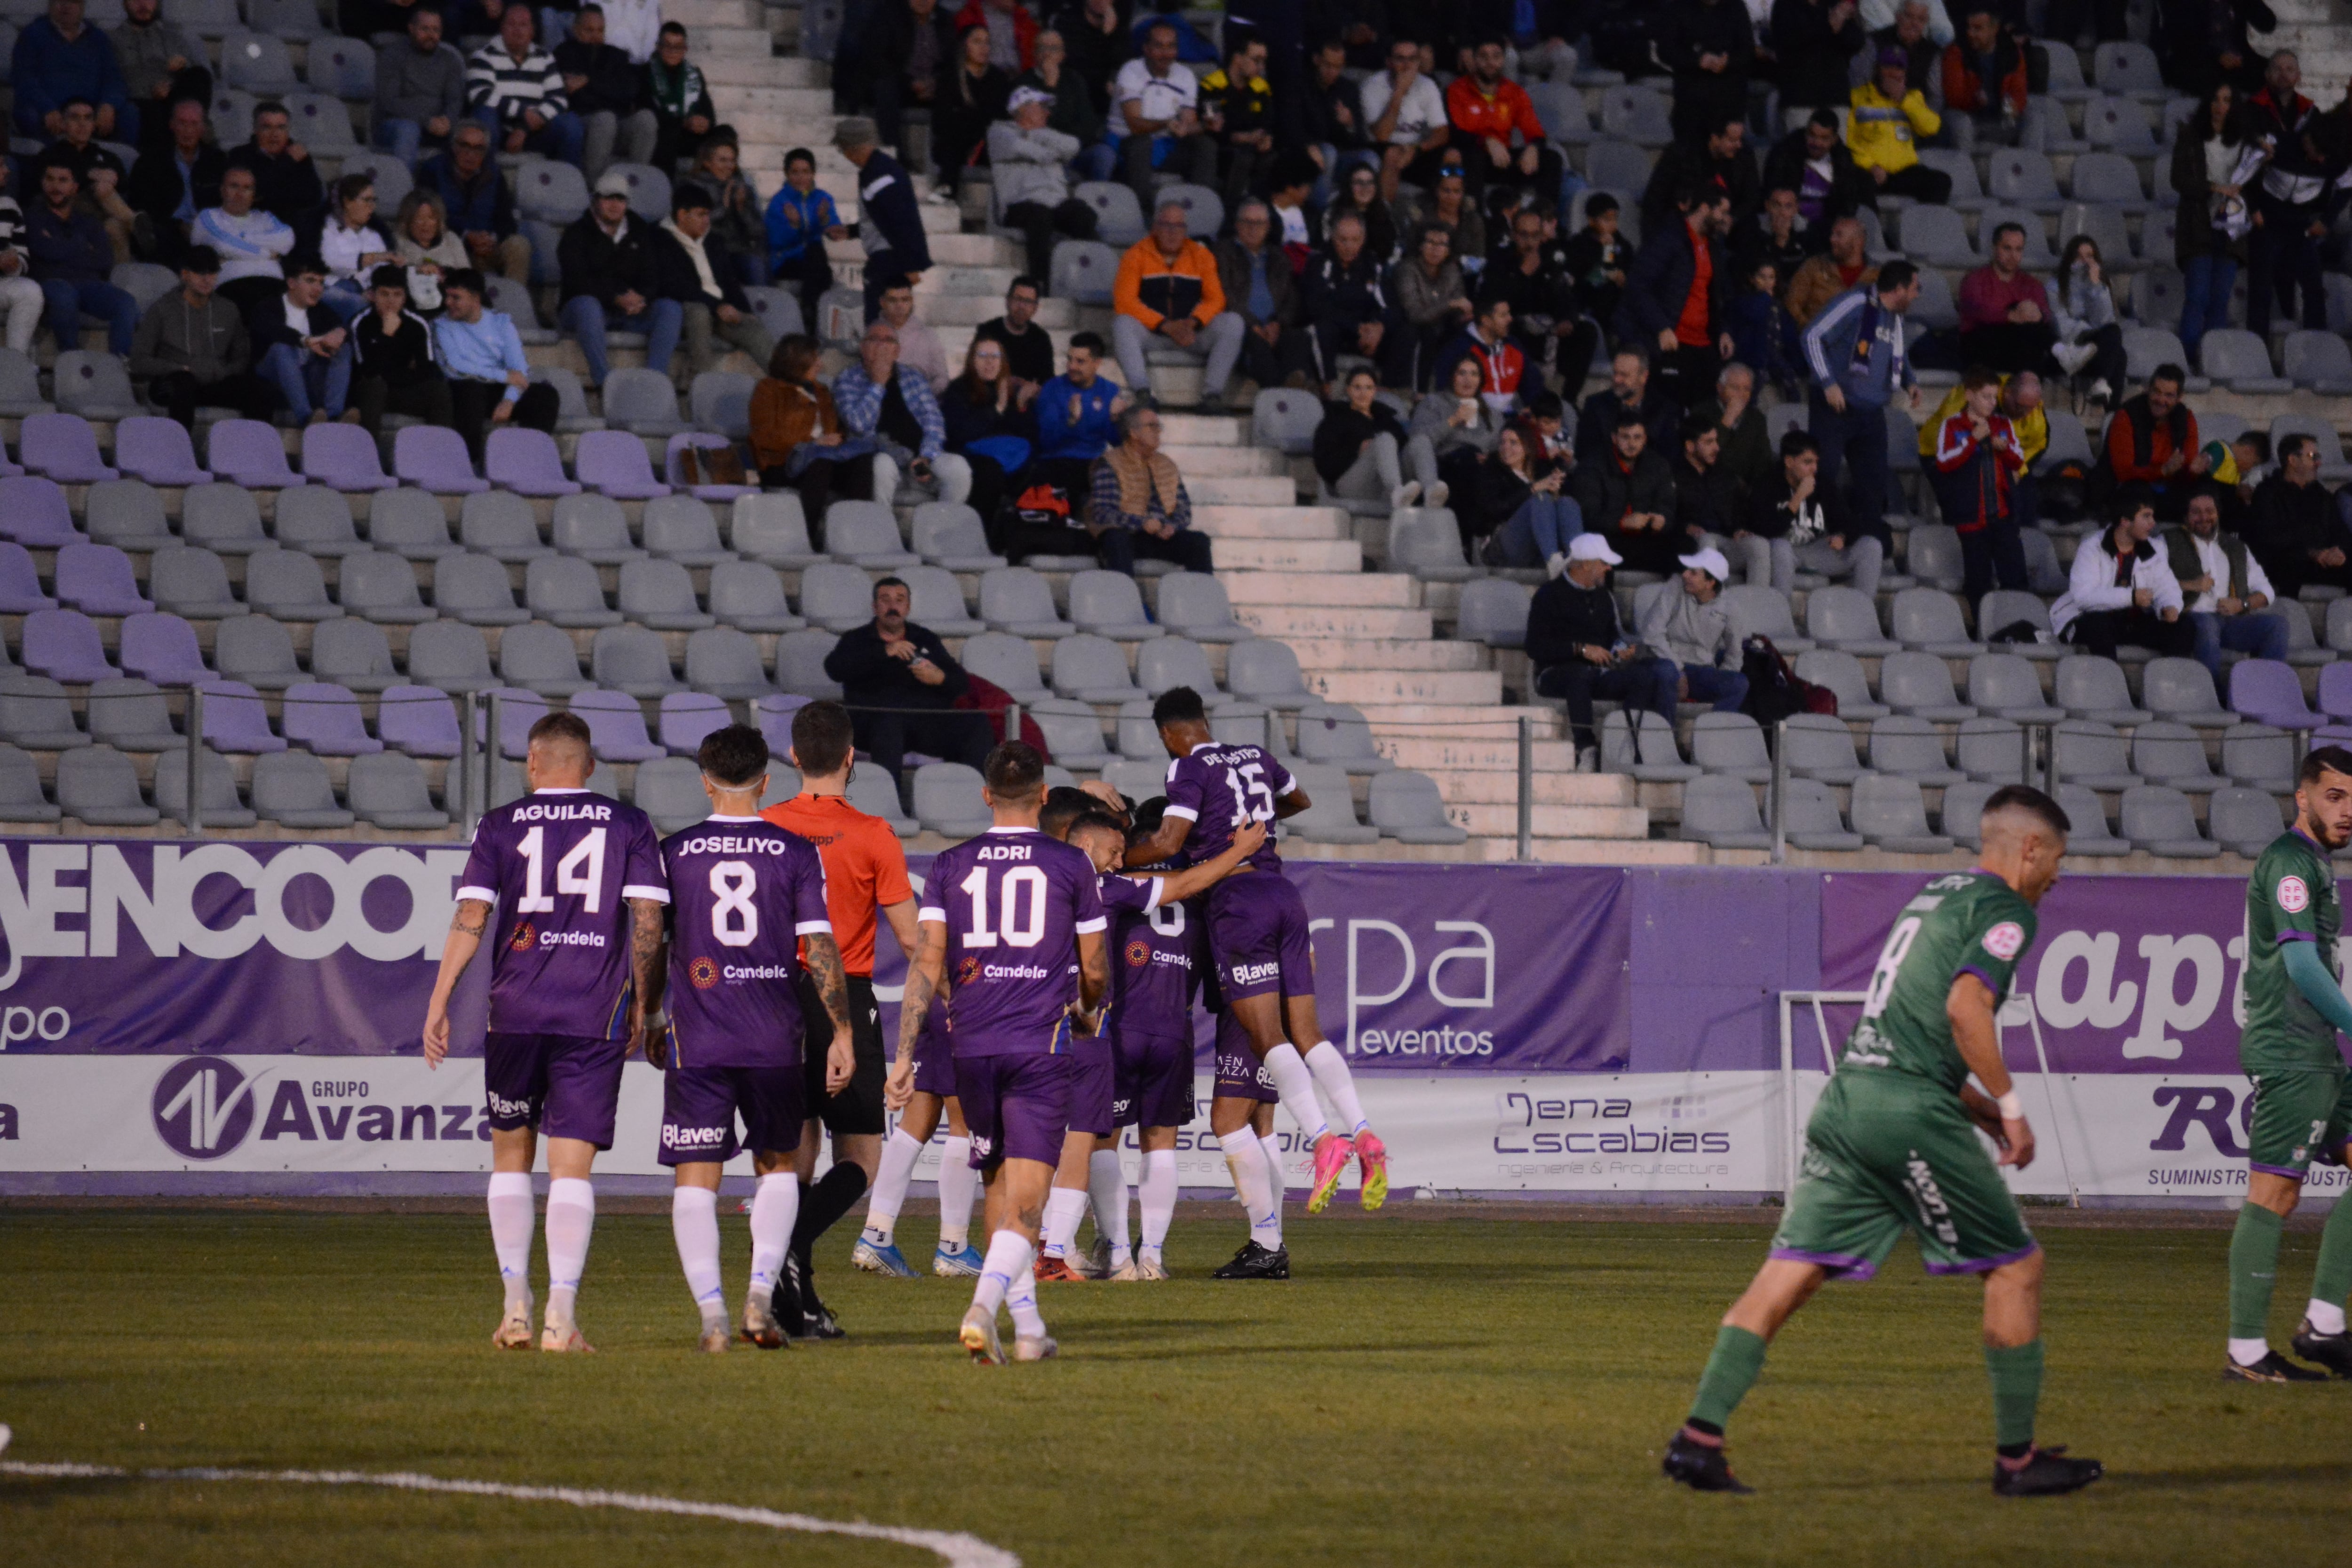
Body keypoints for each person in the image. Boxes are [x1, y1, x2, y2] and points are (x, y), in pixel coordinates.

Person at [1663, 787, 2102, 1498]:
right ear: (2030, 849)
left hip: (1849, 1098)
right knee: (2017, 1268)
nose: (2057, 875)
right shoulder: (2006, 911)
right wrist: (2015, 1111)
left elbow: (1903, 1022)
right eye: (2056, 858)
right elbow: (1967, 1007)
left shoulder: (1934, 897)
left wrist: (1979, 1106)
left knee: (1790, 1273)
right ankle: (2018, 1463)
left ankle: (1697, 1439)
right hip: (1904, 1111)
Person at [419, 709, 670, 1356]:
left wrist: (439, 1001)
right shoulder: (629, 824)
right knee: (571, 1168)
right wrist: (650, 1007)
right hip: (593, 1017)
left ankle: (515, 1309)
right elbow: (647, 922)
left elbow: (471, 915)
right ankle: (561, 1316)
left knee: (510, 1156)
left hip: (516, 1014)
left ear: (532, 765)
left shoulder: (500, 824)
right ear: (589, 767)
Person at [1126, 685, 1390, 1247]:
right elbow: (1300, 802)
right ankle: (1363, 1132)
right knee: (1307, 1032)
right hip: (1285, 894)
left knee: (1267, 1033)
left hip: (1237, 900)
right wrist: (1254, 825)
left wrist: (1121, 861)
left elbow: (1169, 838)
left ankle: (1322, 1139)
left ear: (1170, 735)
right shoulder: (1254, 755)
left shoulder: (1185, 770)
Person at [890, 740, 1105, 1362]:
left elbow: (928, 961)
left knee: (999, 1190)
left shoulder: (950, 865)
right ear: (1044, 796)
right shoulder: (1071, 866)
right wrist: (1089, 1009)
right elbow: (1094, 966)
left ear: (986, 796)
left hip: (972, 1048)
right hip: (1039, 1045)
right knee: (1029, 1203)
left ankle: (1030, 1331)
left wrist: (904, 1055)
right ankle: (983, 1307)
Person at [644, 724, 851, 1352]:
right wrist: (840, 1029)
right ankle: (759, 1299)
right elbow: (818, 946)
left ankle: (711, 1315)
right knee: (778, 1167)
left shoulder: (672, 853)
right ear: (766, 782)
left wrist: (652, 1017)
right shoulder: (794, 851)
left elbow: (653, 941)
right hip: (773, 1039)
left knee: (695, 1177)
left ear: (705, 781)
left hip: (699, 1037)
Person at [2218, 746, 2352, 1383]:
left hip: (2318, 1050)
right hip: (2291, 1051)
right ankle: (2245, 1353)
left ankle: (2325, 1326)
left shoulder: (2316, 863)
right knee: (2274, 1193)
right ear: (2302, 797)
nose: (2347, 810)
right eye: (2334, 795)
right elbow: (2301, 966)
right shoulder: (2290, 863)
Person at [1801, 259, 1919, 581]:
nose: (1918, 294)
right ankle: (1814, 545)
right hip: (1836, 408)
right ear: (1898, 290)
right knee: (1822, 475)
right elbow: (1812, 336)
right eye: (1915, 288)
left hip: (1871, 412)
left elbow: (1898, 352)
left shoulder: (1895, 317)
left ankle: (1865, 551)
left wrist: (1910, 380)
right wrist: (1828, 383)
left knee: (1872, 484)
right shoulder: (1853, 302)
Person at [824, 575, 995, 783]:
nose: (892, 606)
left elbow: (961, 683)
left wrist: (940, 678)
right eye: (885, 600)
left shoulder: (925, 638)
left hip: (924, 721)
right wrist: (885, 652)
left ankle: (972, 794)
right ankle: (889, 801)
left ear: (908, 607)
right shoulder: (857, 639)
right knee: (889, 721)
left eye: (900, 600)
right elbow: (834, 669)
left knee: (976, 722)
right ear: (875, 607)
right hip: (873, 721)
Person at [1527, 533, 1678, 765]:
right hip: (1556, 673)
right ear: (1586, 565)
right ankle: (1586, 748)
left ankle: (1626, 745)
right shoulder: (1548, 595)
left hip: (1598, 673)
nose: (1608, 569)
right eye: (1603, 564)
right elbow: (1535, 647)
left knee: (1644, 676)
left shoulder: (1604, 597)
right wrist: (1581, 650)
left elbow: (1612, 638)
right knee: (1579, 674)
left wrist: (1620, 650)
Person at [1111, 200, 1245, 411]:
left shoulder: (1201, 255)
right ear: (1155, 228)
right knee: (1122, 324)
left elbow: (1216, 300)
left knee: (1233, 322)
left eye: (1179, 226)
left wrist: (1193, 323)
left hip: (1191, 334)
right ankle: (1143, 393)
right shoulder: (1135, 255)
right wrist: (1165, 325)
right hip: (1153, 334)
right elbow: (1125, 302)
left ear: (1186, 230)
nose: (1173, 232)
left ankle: (1212, 396)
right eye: (1166, 226)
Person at [558, 169, 681, 389]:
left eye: (620, 199)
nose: (614, 205)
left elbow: (653, 274)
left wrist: (641, 297)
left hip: (629, 311)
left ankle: (654, 382)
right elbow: (577, 280)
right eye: (608, 198)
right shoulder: (576, 234)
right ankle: (604, 382)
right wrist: (615, 297)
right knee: (587, 305)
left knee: (670, 309)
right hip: (586, 311)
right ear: (595, 200)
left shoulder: (640, 230)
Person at [1618, 184, 1734, 411]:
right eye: (1721, 212)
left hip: (1703, 345)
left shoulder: (1712, 246)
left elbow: (1715, 295)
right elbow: (1638, 286)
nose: (1725, 219)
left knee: (1704, 418)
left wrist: (1723, 330)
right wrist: (1661, 327)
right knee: (1667, 416)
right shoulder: (1668, 239)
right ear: (1704, 209)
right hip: (1671, 346)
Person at [128, 244, 272, 426]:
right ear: (185, 275)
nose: (207, 279)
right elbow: (138, 360)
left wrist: (223, 371)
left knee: (259, 389)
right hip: (172, 383)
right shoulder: (162, 309)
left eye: (212, 273)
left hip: (214, 382)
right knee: (183, 384)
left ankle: (257, 450)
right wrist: (176, 368)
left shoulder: (228, 309)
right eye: (200, 273)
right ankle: (181, 450)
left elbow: (241, 357)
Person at [835, 319, 972, 506]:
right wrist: (878, 383)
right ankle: (882, 528)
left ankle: (940, 528)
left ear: (897, 351)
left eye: (889, 341)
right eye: (875, 339)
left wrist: (926, 456)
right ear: (863, 347)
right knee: (881, 464)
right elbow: (858, 425)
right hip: (882, 455)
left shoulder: (913, 376)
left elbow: (933, 421)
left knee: (959, 468)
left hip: (921, 458)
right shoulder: (848, 379)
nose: (882, 345)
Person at [2049, 488, 2195, 658]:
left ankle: (2169, 683)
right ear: (2125, 521)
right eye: (2146, 516)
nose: (2153, 523)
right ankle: (2110, 682)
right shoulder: (2092, 547)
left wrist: (2169, 607)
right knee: (2099, 624)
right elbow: (2083, 597)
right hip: (2089, 620)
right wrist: (2131, 597)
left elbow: (2167, 587)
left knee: (2184, 626)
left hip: (2131, 623)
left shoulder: (2155, 548)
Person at [655, 181, 774, 385]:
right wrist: (717, 306)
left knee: (754, 328)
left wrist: (744, 312)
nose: (707, 221)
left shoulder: (714, 241)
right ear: (683, 215)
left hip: (720, 310)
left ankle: (789, 386)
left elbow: (729, 281)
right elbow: (674, 285)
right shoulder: (659, 239)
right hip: (685, 309)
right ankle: (703, 384)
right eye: (701, 215)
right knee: (699, 312)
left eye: (708, 215)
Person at [750, 333, 877, 523]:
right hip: (783, 463)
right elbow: (765, 437)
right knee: (820, 462)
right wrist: (813, 443)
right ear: (797, 361)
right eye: (814, 358)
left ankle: (856, 531)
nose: (820, 364)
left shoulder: (822, 391)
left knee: (862, 462)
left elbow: (837, 428)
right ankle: (806, 535)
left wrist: (837, 439)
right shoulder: (767, 390)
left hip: (824, 460)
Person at [435, 267, 560, 459]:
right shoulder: (441, 325)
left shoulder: (501, 322)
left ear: (475, 299)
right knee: (470, 390)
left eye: (456, 298)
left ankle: (532, 460)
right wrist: (503, 376)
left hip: (497, 391)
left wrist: (509, 400)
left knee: (545, 395)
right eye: (447, 296)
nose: (448, 303)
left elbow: (519, 368)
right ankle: (470, 463)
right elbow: (454, 368)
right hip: (462, 391)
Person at [1929, 366, 2028, 606]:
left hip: (2003, 515)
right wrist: (1973, 440)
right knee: (1978, 581)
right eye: (1986, 397)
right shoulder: (1952, 425)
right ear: (1969, 396)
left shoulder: (2003, 424)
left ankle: (2017, 623)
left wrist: (2003, 449)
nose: (1992, 403)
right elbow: (1943, 463)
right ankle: (1982, 629)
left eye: (1995, 397)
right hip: (1970, 517)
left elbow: (2018, 460)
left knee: (2015, 577)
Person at [2244, 51, 2325, 338]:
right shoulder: (2253, 110)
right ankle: (2258, 350)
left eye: (2290, 69)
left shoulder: (2311, 112)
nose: (2284, 74)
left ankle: (2319, 349)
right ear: (2267, 75)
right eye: (2277, 69)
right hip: (2266, 213)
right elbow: (2246, 163)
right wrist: (2253, 207)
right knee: (2261, 288)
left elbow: (2319, 158)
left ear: (2299, 76)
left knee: (2314, 286)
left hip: (2300, 215)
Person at [2172, 80, 2253, 360]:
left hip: (2231, 226)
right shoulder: (2191, 136)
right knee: (2197, 297)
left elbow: (2254, 183)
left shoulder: (2246, 140)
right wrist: (2214, 188)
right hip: (2198, 225)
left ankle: (2213, 360)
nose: (2221, 106)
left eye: (2227, 100)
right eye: (2216, 100)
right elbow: (2179, 180)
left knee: (2220, 300)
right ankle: (2188, 359)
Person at [2170, 487, 2287, 680]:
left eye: (2210, 511)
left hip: (2230, 621)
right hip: (2191, 618)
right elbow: (2152, 584)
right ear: (2185, 517)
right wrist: (2192, 585)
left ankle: (2266, 688)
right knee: (2207, 626)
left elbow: (2266, 590)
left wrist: (2242, 605)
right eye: (2196, 512)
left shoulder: (2236, 547)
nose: (2204, 517)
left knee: (2277, 625)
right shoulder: (2168, 542)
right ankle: (2214, 696)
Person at [1089, 402, 1212, 575]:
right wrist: (1142, 523)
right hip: (1130, 536)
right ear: (1133, 433)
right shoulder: (1111, 463)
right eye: (1152, 426)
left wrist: (1172, 526)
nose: (1158, 431)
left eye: (1159, 426)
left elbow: (1183, 508)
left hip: (1161, 535)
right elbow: (1103, 512)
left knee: (1199, 541)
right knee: (1116, 538)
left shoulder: (1166, 464)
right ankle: (1124, 599)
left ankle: (1203, 600)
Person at [988, 85, 1096, 281]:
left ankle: (1083, 279)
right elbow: (1017, 146)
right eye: (1042, 107)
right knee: (1040, 217)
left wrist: (1036, 135)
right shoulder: (999, 131)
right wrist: (1047, 151)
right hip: (1019, 205)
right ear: (1022, 110)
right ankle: (1039, 282)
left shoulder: (1047, 134)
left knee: (1083, 214)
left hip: (1055, 205)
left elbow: (1074, 146)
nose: (1048, 113)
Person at [27, 162, 136, 355]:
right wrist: (81, 246)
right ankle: (71, 359)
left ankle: (119, 366)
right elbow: (43, 251)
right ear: (43, 183)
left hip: (89, 285)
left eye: (63, 180)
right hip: (51, 283)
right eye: (50, 179)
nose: (55, 186)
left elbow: (104, 260)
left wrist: (58, 247)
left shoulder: (89, 222)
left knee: (126, 302)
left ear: (75, 187)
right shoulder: (33, 217)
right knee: (64, 296)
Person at [1486, 204, 1588, 401]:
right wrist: (1522, 273)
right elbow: (1493, 301)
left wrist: (1568, 319)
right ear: (1514, 235)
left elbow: (1565, 297)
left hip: (1547, 329)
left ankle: (1568, 400)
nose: (1530, 242)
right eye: (1524, 235)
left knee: (1586, 332)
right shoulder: (1500, 259)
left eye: (1535, 235)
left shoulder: (1550, 259)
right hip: (1515, 328)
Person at [835, 118, 931, 324]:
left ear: (852, 148)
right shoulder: (879, 170)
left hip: (890, 260)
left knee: (880, 323)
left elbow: (901, 221)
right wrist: (851, 231)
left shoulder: (879, 174)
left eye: (843, 148)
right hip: (892, 257)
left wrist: (911, 264)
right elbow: (883, 218)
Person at [1112, 18, 1216, 206]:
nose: (1166, 54)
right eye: (1159, 46)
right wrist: (1167, 124)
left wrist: (1205, 125)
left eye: (1171, 47)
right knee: (1142, 144)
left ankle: (1202, 208)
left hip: (1166, 145)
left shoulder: (1185, 76)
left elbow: (1187, 124)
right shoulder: (1131, 71)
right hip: (1126, 144)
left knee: (1205, 145)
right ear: (1146, 49)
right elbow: (1135, 125)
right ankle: (1142, 210)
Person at [1447, 36, 1561, 206]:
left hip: (1502, 160)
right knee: (1473, 156)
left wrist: (1534, 147)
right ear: (1474, 59)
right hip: (1471, 162)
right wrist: (1486, 141)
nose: (1490, 63)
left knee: (1552, 159)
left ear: (1503, 60)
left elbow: (1535, 130)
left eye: (1496, 57)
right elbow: (1456, 134)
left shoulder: (1515, 92)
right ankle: (1475, 220)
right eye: (1484, 57)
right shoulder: (1457, 90)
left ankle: (1544, 219)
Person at [416, 122, 532, 285]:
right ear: (454, 147)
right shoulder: (433, 170)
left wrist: (490, 239)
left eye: (478, 149)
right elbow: (428, 216)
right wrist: (466, 235)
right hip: (450, 246)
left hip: (486, 248)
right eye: (465, 146)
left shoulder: (494, 175)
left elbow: (507, 220)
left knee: (519, 245)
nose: (470, 154)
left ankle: (513, 304)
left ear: (485, 153)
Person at [467, 6, 582, 167]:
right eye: (512, 24)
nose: (518, 30)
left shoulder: (545, 58)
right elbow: (480, 94)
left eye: (523, 25)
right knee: (485, 115)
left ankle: (567, 186)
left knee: (571, 123)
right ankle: (486, 182)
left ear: (533, 31)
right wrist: (523, 112)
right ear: (502, 28)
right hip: (498, 130)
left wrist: (524, 128)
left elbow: (559, 100)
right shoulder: (484, 56)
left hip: (534, 132)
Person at [1303, 211, 1406, 389]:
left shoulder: (1373, 264)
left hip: (1365, 336)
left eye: (1355, 240)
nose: (1349, 246)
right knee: (1321, 329)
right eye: (1343, 240)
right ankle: (1328, 388)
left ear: (1363, 239)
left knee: (1406, 331)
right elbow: (1317, 307)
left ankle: (1389, 390)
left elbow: (1392, 307)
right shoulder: (1319, 262)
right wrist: (1356, 327)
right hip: (1337, 331)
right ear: (1332, 237)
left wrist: (1379, 328)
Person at [556, 5, 657, 183]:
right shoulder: (564, 53)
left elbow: (629, 91)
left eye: (600, 30)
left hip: (619, 123)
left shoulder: (616, 55)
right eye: (589, 30)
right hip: (585, 122)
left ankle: (635, 183)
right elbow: (578, 98)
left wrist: (589, 82)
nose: (596, 36)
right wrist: (608, 89)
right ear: (576, 30)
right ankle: (594, 187)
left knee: (646, 119)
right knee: (605, 119)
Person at [1745, 429, 1854, 593]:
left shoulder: (1823, 484)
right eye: (1808, 463)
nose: (1814, 469)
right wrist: (1798, 498)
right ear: (1789, 462)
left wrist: (1842, 536)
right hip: (1783, 554)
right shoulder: (1767, 485)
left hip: (1817, 552)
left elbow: (1846, 520)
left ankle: (1865, 610)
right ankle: (1783, 614)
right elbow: (1765, 531)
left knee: (1870, 546)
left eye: (1816, 462)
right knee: (1780, 545)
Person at [2243, 432, 2352, 597]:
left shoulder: (2321, 495)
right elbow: (2270, 538)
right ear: (2292, 460)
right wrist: (2311, 553)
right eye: (2312, 456)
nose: (2318, 463)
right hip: (2288, 563)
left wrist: (2339, 552)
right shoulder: (2268, 493)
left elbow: (2339, 530)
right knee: (2290, 563)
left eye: (2318, 457)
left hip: (2322, 562)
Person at [940, 334, 1034, 523]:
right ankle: (977, 533)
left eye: (995, 356)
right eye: (983, 356)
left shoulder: (1010, 390)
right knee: (990, 474)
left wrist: (1022, 406)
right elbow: (960, 434)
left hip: (1007, 456)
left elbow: (1027, 435)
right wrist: (997, 409)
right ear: (972, 361)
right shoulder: (958, 389)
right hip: (967, 454)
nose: (990, 362)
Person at [250, 255, 354, 424]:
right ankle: (306, 417)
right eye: (310, 281)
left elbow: (345, 330)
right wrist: (305, 341)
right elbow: (273, 330)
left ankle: (334, 416)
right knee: (282, 348)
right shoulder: (269, 306)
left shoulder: (322, 311)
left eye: (321, 282)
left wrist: (341, 333)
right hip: (272, 376)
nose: (318, 288)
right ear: (291, 283)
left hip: (308, 377)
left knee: (344, 348)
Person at [350, 263, 452, 435]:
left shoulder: (417, 324)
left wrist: (390, 373)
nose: (391, 301)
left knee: (438, 389)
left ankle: (440, 453)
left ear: (405, 297)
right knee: (376, 386)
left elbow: (426, 370)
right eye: (385, 294)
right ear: (373, 295)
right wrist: (387, 335)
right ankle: (367, 455)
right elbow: (368, 372)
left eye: (397, 295)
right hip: (368, 393)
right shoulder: (361, 323)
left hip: (402, 392)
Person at [121, 96, 220, 268]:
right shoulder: (150, 160)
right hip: (167, 230)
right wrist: (179, 226)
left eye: (194, 124)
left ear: (203, 128)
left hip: (207, 229)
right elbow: (142, 206)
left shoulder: (217, 161)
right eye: (182, 123)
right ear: (172, 125)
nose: (188, 131)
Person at [2100, 362, 2207, 521]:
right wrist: (2162, 471)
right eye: (2157, 392)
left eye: (2169, 395)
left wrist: (2194, 471)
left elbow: (2188, 465)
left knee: (2207, 488)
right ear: (2148, 389)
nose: (2161, 400)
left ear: (2180, 398)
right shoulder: (2126, 416)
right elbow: (2123, 473)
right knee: (2138, 492)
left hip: (2169, 489)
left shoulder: (2186, 418)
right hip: (2132, 490)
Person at [11, 0, 129, 143]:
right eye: (60, 2)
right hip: (50, 108)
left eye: (73, 2)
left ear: (82, 6)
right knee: (29, 114)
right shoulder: (32, 35)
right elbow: (23, 78)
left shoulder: (98, 39)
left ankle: (112, 162)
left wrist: (109, 105)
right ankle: (50, 161)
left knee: (129, 114)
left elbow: (114, 78)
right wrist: (47, 108)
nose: (66, 6)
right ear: (51, 5)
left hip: (90, 110)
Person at [1574, 418, 1681, 573]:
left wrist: (1662, 520)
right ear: (1614, 438)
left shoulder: (1658, 465)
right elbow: (1588, 515)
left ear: (1645, 439)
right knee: (1600, 550)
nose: (1632, 444)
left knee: (1682, 546)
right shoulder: (1593, 465)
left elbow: (1667, 506)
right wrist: (1622, 523)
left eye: (1637, 437)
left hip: (1647, 538)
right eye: (1625, 437)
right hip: (1610, 538)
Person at [36, 98, 133, 265]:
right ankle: (134, 224)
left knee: (113, 226)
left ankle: (119, 283)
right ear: (64, 123)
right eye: (75, 118)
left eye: (88, 118)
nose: (82, 124)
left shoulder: (107, 157)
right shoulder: (51, 155)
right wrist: (92, 174)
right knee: (103, 188)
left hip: (105, 214)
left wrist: (113, 177)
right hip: (70, 211)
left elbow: (125, 184)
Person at [1848, 48, 1950, 203]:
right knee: (1857, 184)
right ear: (1877, 69)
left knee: (1941, 181)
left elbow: (1932, 128)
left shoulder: (1913, 97)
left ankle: (1919, 225)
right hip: (1871, 171)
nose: (1894, 73)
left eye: (1899, 68)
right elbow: (1848, 141)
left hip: (1903, 171)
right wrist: (1870, 166)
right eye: (1888, 67)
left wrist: (1903, 100)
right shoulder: (1857, 98)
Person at [1315, 365, 1420, 514]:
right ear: (1348, 390)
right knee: (1384, 439)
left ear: (1375, 391)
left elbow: (1404, 447)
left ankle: (1430, 493)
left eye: (1369, 388)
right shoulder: (1335, 419)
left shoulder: (1385, 418)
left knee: (1419, 442)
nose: (1363, 393)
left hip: (1380, 486)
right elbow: (1324, 462)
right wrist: (1356, 451)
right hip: (1350, 483)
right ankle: (1397, 491)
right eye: (1357, 388)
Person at [1484, 421, 1587, 569]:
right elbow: (1494, 509)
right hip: (1506, 545)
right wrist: (1535, 488)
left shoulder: (1543, 468)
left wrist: (1556, 491)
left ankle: (1578, 561)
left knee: (1566, 502)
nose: (1506, 447)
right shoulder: (1492, 469)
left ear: (1528, 446)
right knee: (1540, 499)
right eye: (1503, 442)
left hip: (1540, 544)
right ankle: (1554, 563)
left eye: (1514, 443)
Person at [375, 7, 469, 168]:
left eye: (436, 30)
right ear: (411, 28)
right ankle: (404, 189)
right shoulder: (393, 56)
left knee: (471, 135)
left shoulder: (450, 60)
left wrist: (448, 120)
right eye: (425, 29)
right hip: (396, 125)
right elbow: (390, 102)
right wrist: (426, 121)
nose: (431, 35)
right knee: (409, 130)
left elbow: (455, 99)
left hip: (438, 125)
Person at [1642, 114, 1760, 242]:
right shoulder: (1682, 156)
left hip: (1725, 226)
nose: (1739, 145)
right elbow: (1657, 200)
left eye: (1740, 139)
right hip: (1685, 225)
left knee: (1750, 227)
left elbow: (1752, 197)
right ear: (1715, 139)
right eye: (1732, 141)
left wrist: (1732, 217)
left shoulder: (1742, 157)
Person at [1957, 223, 2055, 376]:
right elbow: (1976, 312)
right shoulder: (1975, 280)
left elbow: (2046, 314)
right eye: (2007, 248)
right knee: (2026, 329)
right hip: (1982, 344)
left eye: (2019, 249)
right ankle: (2060, 353)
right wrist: (2011, 316)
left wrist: (2040, 316)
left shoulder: (2031, 284)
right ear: (1995, 248)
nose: (2013, 256)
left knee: (2032, 330)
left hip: (2022, 346)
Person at [1362, 35, 1450, 204]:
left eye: (1412, 59)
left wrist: (1417, 149)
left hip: (1415, 150)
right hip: (1381, 150)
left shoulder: (1427, 85)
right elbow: (1382, 135)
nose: (1407, 66)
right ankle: (1384, 215)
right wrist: (1399, 93)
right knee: (1393, 154)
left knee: (1452, 156)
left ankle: (1448, 217)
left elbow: (1442, 133)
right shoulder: (1373, 86)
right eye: (1400, 59)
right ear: (1389, 62)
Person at [111, 0, 206, 155]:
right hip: (140, 102)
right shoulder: (113, 40)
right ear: (125, 4)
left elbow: (194, 78)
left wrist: (176, 78)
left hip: (174, 100)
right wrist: (151, 92)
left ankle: (196, 128)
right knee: (153, 110)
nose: (143, 4)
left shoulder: (174, 38)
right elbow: (113, 80)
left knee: (199, 76)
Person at [1406, 353, 1506, 500]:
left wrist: (1489, 458)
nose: (1468, 380)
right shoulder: (1433, 403)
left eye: (1474, 374)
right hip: (1440, 468)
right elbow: (1418, 442)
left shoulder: (1494, 415)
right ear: (1452, 377)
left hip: (1479, 472)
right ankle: (1433, 494)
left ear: (1481, 380)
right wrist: (1453, 421)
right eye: (1462, 373)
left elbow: (1500, 449)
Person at [1018, 29, 1112, 183]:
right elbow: (1037, 128)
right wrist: (1050, 88)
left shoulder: (1075, 80)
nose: (1048, 54)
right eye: (1043, 48)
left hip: (1075, 150)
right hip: (1045, 153)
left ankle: (1097, 199)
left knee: (1104, 154)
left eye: (1054, 49)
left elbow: (1088, 124)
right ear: (1035, 54)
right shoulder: (1024, 84)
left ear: (1063, 55)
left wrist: (1069, 144)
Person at [1390, 222, 1474, 391]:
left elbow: (1459, 308)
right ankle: (1416, 392)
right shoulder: (1408, 269)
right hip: (1410, 331)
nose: (1436, 249)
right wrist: (1449, 304)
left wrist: (1465, 315)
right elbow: (1415, 314)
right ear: (1420, 245)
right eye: (1430, 243)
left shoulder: (1452, 271)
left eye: (1442, 244)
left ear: (1449, 250)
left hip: (1442, 330)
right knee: (1422, 333)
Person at [2048, 235, 2128, 409]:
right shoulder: (2055, 285)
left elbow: (2105, 321)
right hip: (2070, 350)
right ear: (2070, 258)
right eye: (2079, 256)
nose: (2085, 261)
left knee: (2116, 342)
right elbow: (2059, 324)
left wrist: (2096, 288)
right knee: (2118, 354)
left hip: (2096, 348)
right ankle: (2111, 412)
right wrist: (2088, 332)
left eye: (2090, 256)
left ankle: (2102, 386)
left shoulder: (2101, 284)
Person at [1764, 110, 1876, 233]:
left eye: (1824, 138)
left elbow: (1848, 199)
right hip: (1790, 222)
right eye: (1812, 136)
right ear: (1806, 133)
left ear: (1834, 140)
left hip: (1829, 227)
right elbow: (1774, 193)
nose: (1817, 143)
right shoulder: (1785, 153)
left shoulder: (1842, 159)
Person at [1199, 33, 1275, 211]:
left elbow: (1268, 123)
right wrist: (1240, 138)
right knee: (1244, 156)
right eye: (1256, 60)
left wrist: (1267, 138)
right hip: (1222, 150)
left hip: (1251, 148)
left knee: (1272, 158)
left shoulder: (1261, 88)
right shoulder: (1212, 85)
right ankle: (1229, 211)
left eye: (1264, 61)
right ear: (1238, 58)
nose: (1261, 67)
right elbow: (1213, 128)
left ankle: (1259, 211)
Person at [764, 147, 844, 303]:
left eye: (806, 172)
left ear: (813, 173)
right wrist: (794, 226)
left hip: (813, 259)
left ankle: (810, 309)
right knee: (819, 264)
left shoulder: (822, 198)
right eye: (795, 172)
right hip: (786, 260)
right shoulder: (779, 202)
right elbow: (775, 241)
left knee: (817, 256)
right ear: (787, 174)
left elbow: (835, 233)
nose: (801, 177)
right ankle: (811, 310)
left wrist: (824, 221)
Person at [934, 22, 1012, 181]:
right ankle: (946, 196)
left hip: (988, 141)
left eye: (987, 42)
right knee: (951, 148)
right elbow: (942, 120)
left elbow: (1002, 116)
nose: (984, 47)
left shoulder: (999, 79)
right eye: (977, 42)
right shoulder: (950, 78)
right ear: (964, 45)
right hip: (956, 141)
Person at [1576, 345, 1679, 465]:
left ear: (1644, 377)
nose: (1617, 380)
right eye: (1615, 373)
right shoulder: (1596, 405)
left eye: (1624, 375)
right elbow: (1585, 453)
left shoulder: (1664, 409)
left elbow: (1668, 457)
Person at [228, 101, 324, 228]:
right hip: (250, 226)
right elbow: (254, 194)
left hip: (292, 226)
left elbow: (314, 197)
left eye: (281, 127)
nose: (275, 134)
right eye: (267, 127)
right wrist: (287, 162)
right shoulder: (239, 155)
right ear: (255, 129)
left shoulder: (300, 156)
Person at [318, 175, 395, 325]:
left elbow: (383, 270)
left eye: (374, 200)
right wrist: (371, 258)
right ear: (347, 202)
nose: (372, 206)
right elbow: (329, 261)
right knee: (358, 305)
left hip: (365, 290)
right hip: (331, 287)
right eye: (367, 200)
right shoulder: (328, 229)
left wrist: (375, 290)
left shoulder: (374, 236)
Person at [1942, 5, 2026, 140]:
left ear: (1994, 29)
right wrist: (1977, 100)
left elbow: (2019, 93)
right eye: (1970, 28)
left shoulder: (2012, 53)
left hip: (2001, 117)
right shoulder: (1957, 52)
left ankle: (2030, 160)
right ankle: (1964, 162)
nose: (1971, 33)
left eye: (1978, 29)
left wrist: (2009, 108)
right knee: (1961, 123)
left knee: (2035, 117)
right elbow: (1955, 99)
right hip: (1970, 118)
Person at [1770, 0, 1867, 114]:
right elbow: (1791, 41)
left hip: (1836, 95)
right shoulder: (1786, 5)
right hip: (1800, 97)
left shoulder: (1835, 5)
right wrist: (1830, 25)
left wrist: (1839, 24)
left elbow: (1857, 42)